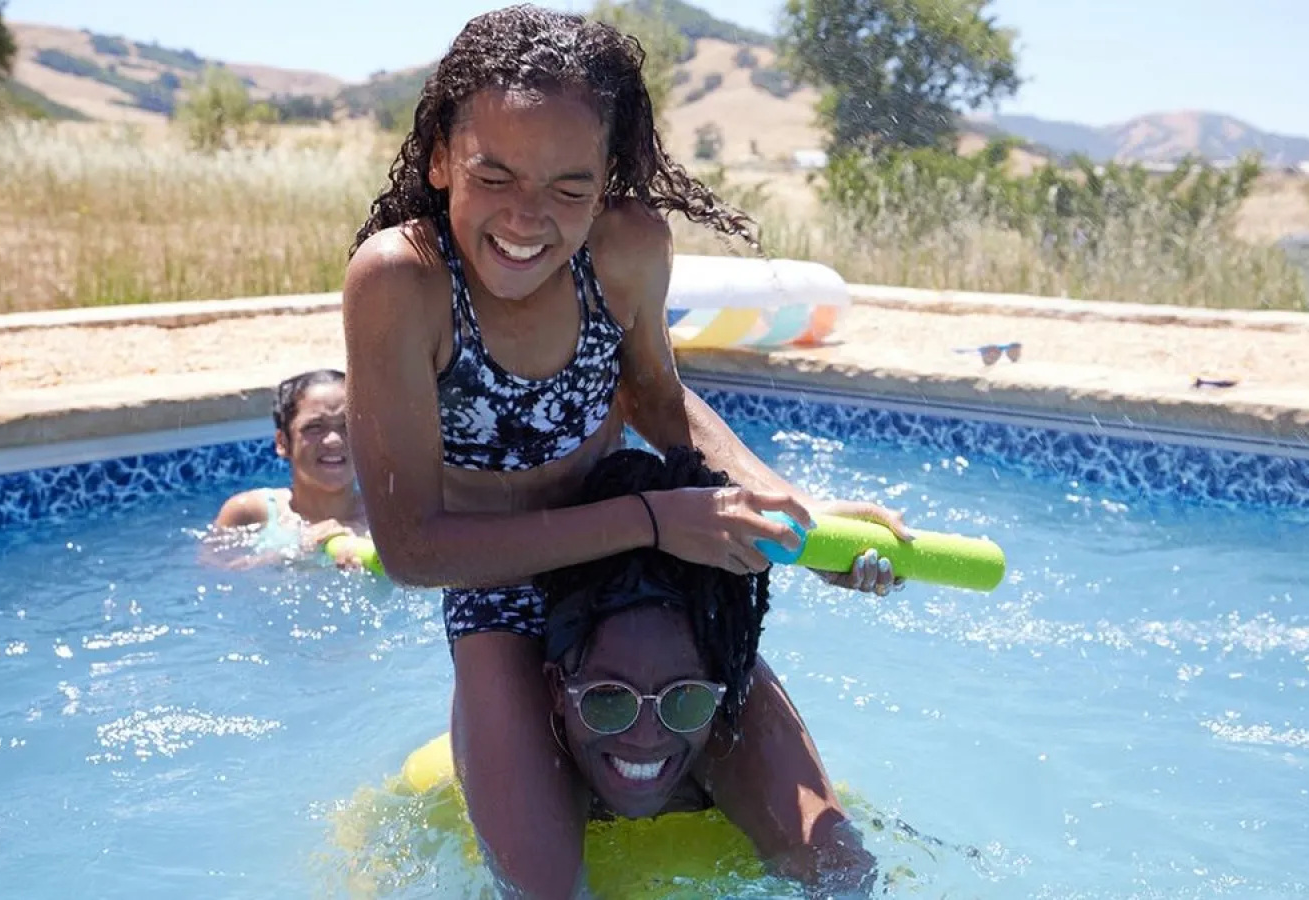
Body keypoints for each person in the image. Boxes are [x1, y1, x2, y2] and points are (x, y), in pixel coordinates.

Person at [340, 5, 912, 896]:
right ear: (442, 157)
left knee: (838, 870)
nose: (529, 217)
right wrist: (654, 518)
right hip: (499, 590)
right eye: (494, 174)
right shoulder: (401, 282)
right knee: (545, 892)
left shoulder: (629, 248)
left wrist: (795, 517)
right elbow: (414, 550)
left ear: (609, 180)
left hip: (642, 573)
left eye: (571, 188)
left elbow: (656, 395)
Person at [533, 446, 876, 894]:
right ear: (558, 686)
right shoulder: (528, 736)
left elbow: (843, 878)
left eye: (683, 699)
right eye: (611, 698)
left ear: (722, 690)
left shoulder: (729, 721)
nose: (646, 737)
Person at [209, 369, 368, 566]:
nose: (334, 441)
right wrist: (296, 551)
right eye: (315, 427)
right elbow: (216, 573)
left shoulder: (387, 521)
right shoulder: (250, 513)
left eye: (347, 425)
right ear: (282, 442)